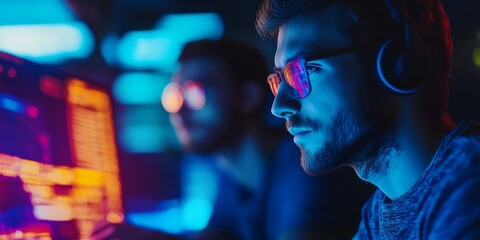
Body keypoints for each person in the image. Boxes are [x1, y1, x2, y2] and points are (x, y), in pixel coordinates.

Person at [255, 0, 480, 239]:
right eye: (281, 78)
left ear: (398, 64)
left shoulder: (468, 185)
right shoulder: (377, 216)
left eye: (302, 71)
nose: (279, 107)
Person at [164, 38, 373, 239]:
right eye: (174, 97)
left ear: (248, 97)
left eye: (194, 94)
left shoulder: (303, 164)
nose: (179, 111)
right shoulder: (230, 176)